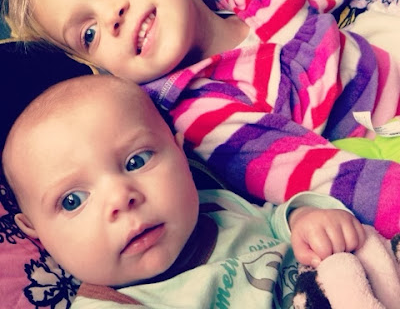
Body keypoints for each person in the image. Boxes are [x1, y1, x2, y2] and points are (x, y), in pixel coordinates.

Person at [1, 0, 400, 238]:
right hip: (377, 137)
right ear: (106, 68)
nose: (111, 16)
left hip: (376, 48)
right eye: (89, 34)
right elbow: (322, 177)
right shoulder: (200, 118)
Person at [2, 74, 366, 308]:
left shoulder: (218, 205)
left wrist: (306, 218)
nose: (121, 198)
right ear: (37, 234)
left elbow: (275, 219)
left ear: (180, 152)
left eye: (137, 160)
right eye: (73, 200)